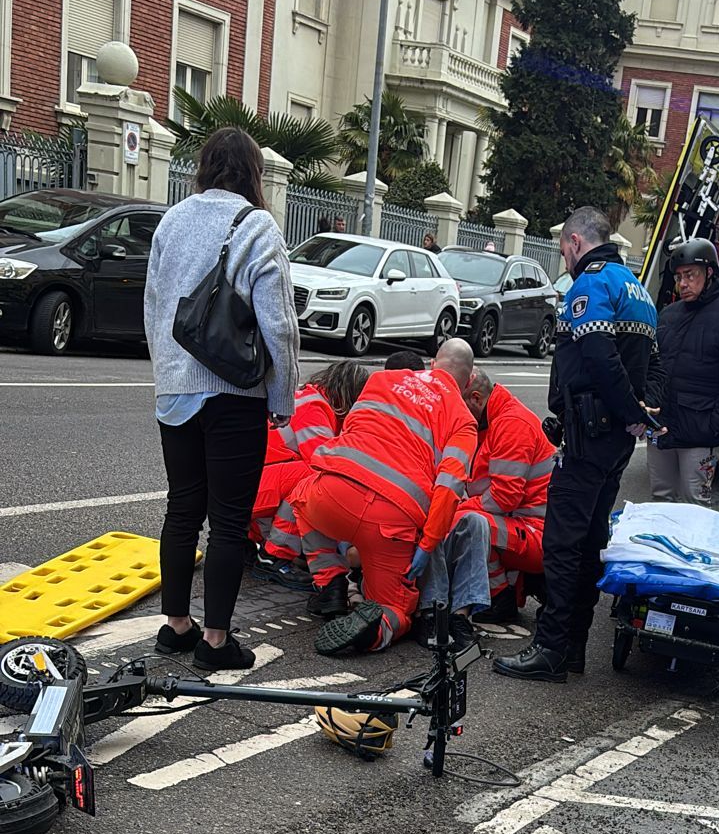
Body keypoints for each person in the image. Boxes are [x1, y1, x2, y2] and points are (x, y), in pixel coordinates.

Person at [144, 127, 299, 671]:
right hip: (234, 392)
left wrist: (166, 374)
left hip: (176, 391)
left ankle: (176, 627)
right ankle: (215, 643)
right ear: (254, 173)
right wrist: (281, 396)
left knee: (181, 508)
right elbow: (278, 324)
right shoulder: (258, 226)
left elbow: (155, 306)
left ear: (205, 166)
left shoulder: (172, 220)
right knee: (229, 520)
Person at [494, 206, 658, 683]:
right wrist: (643, 413)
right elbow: (656, 365)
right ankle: (574, 648)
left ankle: (549, 648)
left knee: (563, 546)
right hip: (615, 443)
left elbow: (600, 358)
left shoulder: (591, 283)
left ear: (573, 242)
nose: (565, 258)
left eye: (564, 249)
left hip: (588, 437)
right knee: (589, 544)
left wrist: (631, 411)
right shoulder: (640, 291)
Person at [292, 338, 487, 656]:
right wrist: (426, 546)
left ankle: (331, 583)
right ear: (467, 384)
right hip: (392, 519)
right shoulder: (462, 421)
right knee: (397, 608)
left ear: (434, 364)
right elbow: (448, 491)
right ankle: (376, 631)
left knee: (301, 499)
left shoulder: (383, 379)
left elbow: (353, 427)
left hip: (335, 493)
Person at [647, 236, 719, 505]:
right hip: (662, 428)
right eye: (679, 277)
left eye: (690, 275)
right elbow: (655, 367)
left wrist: (715, 428)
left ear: (708, 273)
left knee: (694, 506)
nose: (683, 283)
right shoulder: (669, 315)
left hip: (700, 433)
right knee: (660, 500)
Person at [458, 369, 554, 619]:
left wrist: (458, 509)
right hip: (526, 524)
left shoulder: (511, 424)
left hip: (537, 533)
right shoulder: (493, 418)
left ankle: (499, 597)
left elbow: (502, 498)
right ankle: (506, 586)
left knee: (466, 524)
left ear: (476, 399)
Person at [254, 361, 369, 564]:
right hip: (255, 489)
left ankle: (274, 545)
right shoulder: (313, 408)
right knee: (316, 479)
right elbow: (325, 462)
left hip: (252, 484)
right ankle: (277, 554)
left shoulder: (310, 399)